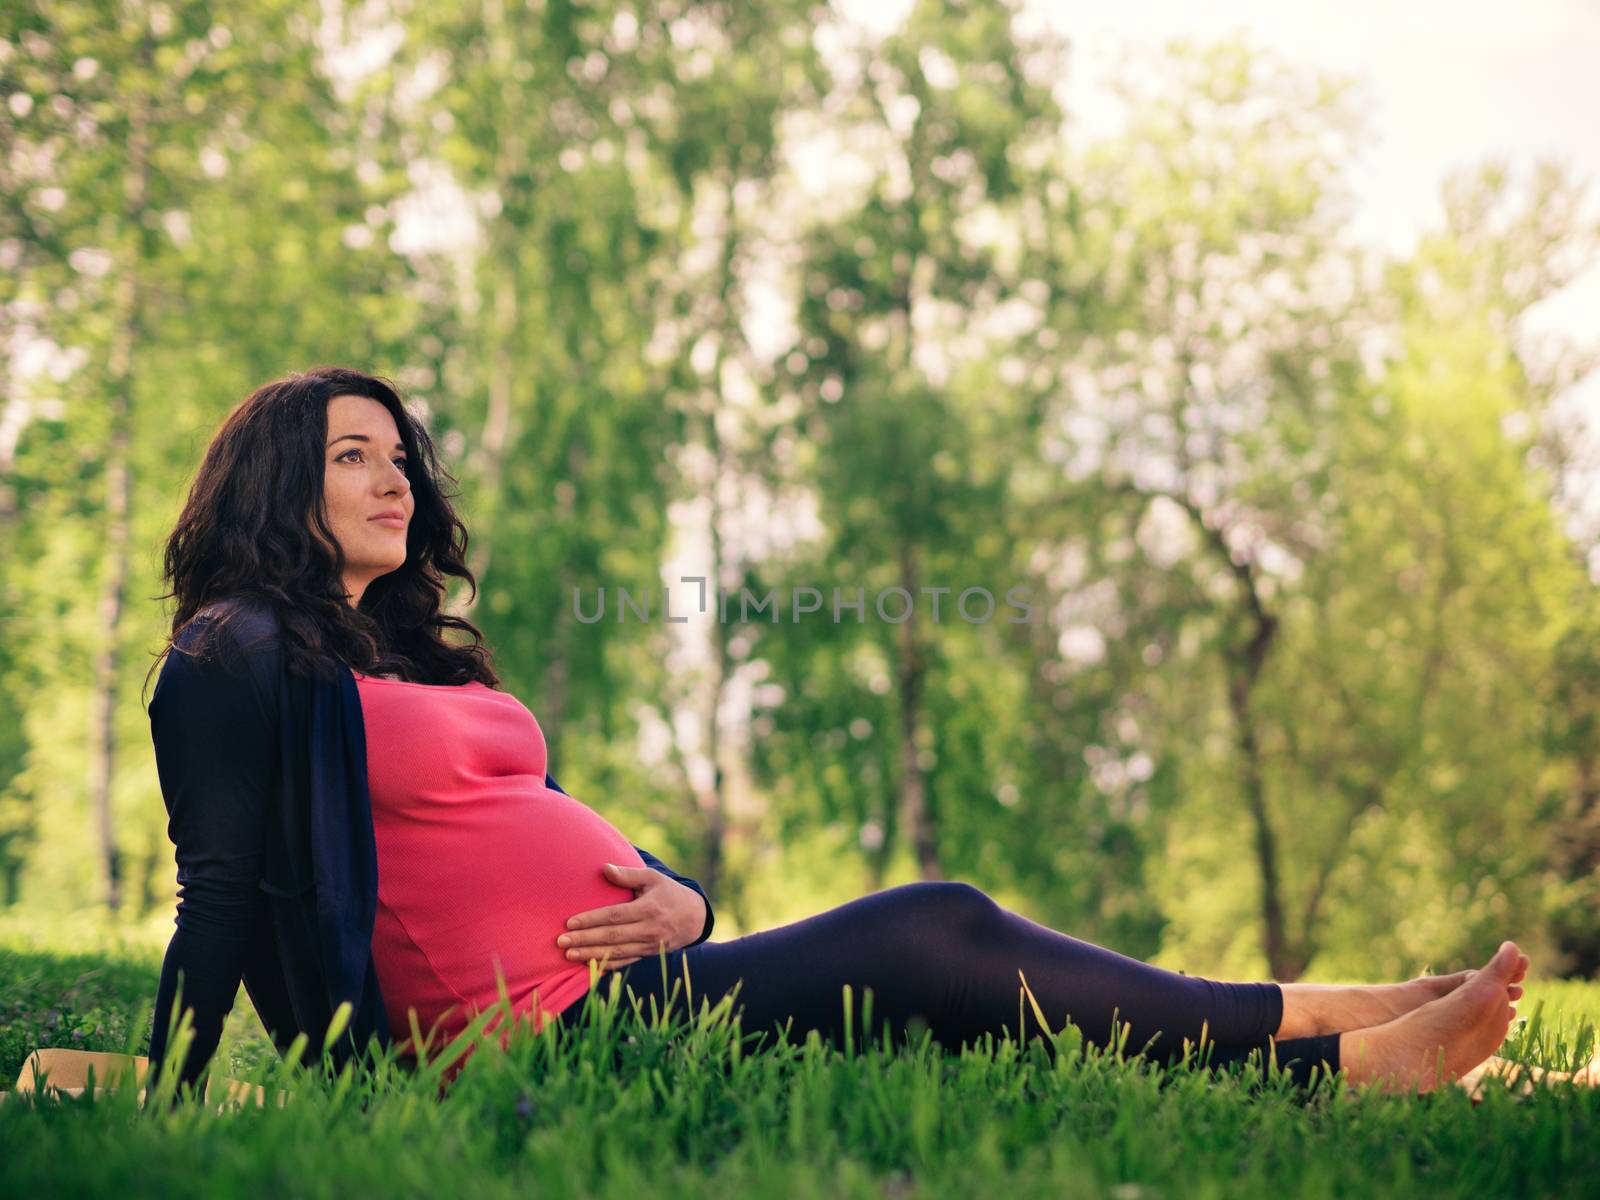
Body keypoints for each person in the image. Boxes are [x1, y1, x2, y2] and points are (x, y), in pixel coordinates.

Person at [144, 366, 1532, 1100]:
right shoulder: (237, 652)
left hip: (616, 992)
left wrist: (685, 899)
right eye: (352, 455)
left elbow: (533, 833)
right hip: (525, 1045)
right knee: (935, 928)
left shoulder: (389, 651)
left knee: (957, 969)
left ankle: (1329, 1014)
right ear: (279, 481)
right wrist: (172, 1081)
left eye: (400, 453)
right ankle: (1333, 1063)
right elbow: (219, 891)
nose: (395, 476)